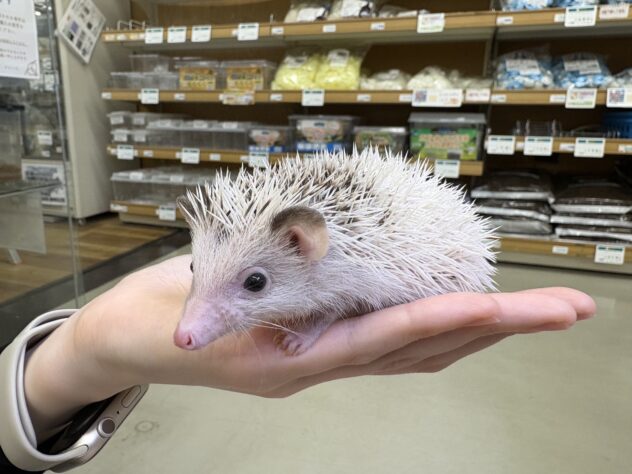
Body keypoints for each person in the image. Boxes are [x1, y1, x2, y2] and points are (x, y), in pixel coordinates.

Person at [0, 255, 596, 473]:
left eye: (255, 283)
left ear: (305, 247)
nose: (189, 331)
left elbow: (344, 291)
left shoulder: (338, 266)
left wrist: (77, 353)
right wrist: (86, 344)